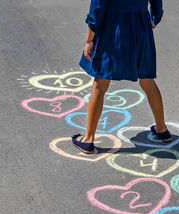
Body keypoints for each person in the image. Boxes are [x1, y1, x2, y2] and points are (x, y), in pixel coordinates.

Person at [72, 0, 171, 154]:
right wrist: (155, 17)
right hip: (140, 27)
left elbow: (98, 7)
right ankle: (161, 128)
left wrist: (89, 39)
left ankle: (89, 139)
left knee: (100, 82)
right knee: (147, 80)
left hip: (113, 28)